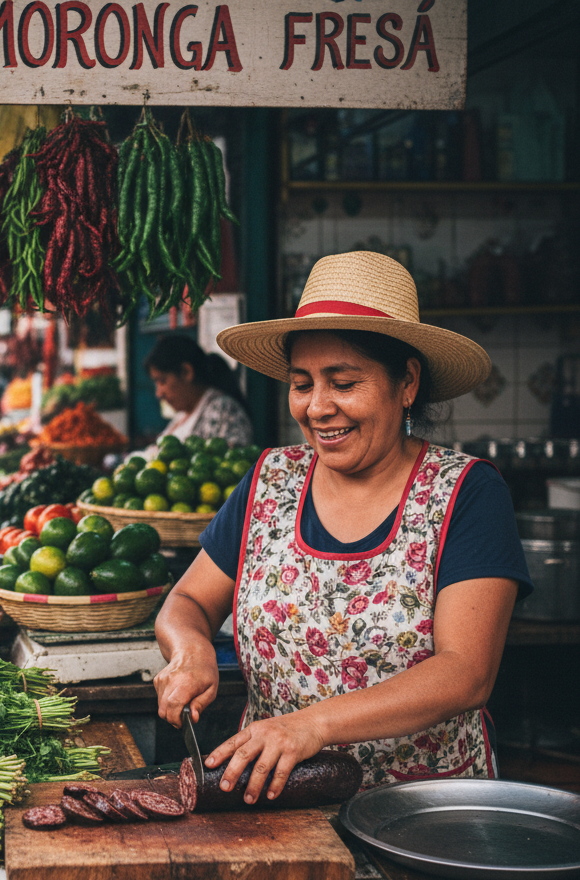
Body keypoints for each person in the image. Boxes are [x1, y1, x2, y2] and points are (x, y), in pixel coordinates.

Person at [153, 251, 532, 802]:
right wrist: (190, 648)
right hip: (275, 806)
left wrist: (312, 724)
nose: (318, 407)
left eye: (344, 383)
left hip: (424, 812)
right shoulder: (270, 480)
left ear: (406, 382)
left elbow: (466, 670)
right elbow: (187, 599)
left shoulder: (466, 493)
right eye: (302, 384)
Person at [145, 334, 254, 448]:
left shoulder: (223, 411)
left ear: (186, 372)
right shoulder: (182, 414)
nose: (158, 393)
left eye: (162, 381)